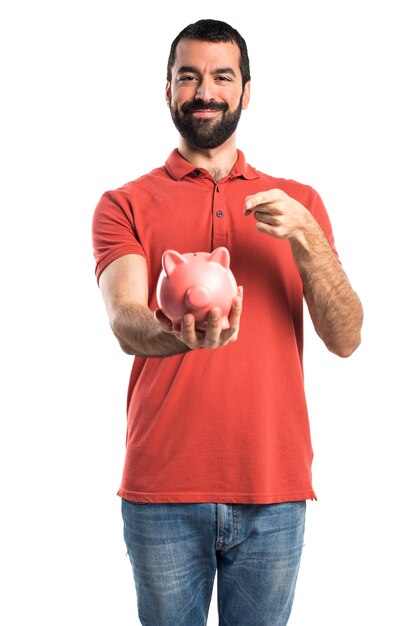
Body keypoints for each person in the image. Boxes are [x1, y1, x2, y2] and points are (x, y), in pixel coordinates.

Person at [92, 18, 363, 626]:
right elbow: (125, 318)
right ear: (167, 91)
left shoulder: (298, 204)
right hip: (162, 487)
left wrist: (307, 237)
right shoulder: (125, 203)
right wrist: (172, 335)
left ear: (245, 90)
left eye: (221, 76)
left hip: (273, 486)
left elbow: (346, 337)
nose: (205, 91)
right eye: (188, 77)